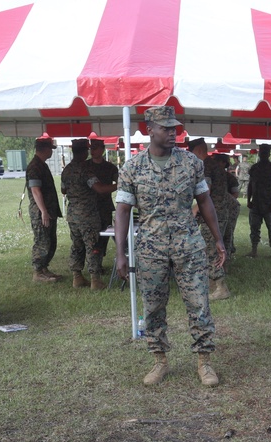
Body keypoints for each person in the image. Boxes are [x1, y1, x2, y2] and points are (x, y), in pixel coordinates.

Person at [114, 106, 226, 387]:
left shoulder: (191, 163)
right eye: (166, 128)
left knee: (199, 303)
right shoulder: (133, 167)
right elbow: (123, 210)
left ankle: (204, 362)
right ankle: (159, 360)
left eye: (175, 127)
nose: (173, 132)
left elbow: (205, 201)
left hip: (188, 245)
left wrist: (218, 238)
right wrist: (120, 253)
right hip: (151, 248)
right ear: (149, 129)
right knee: (153, 307)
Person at [62, 138, 112, 290]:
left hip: (73, 214)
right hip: (87, 215)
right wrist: (118, 185)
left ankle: (77, 277)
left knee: (77, 245)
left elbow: (63, 190)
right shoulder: (86, 170)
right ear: (84, 151)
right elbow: (100, 189)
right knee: (93, 245)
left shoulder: (67, 170)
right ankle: (95, 280)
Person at [188, 138, 232, 300]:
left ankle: (221, 287)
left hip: (212, 215)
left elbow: (205, 191)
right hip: (220, 212)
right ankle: (212, 285)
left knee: (211, 250)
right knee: (212, 247)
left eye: (191, 153)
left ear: (198, 150)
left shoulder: (205, 165)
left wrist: (195, 209)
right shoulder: (215, 165)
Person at [26, 134, 63, 283]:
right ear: (45, 149)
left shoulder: (41, 164)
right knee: (42, 241)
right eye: (51, 148)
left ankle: (44, 269)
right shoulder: (34, 167)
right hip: (41, 212)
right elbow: (35, 190)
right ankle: (37, 272)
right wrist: (44, 211)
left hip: (47, 210)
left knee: (50, 240)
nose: (52, 151)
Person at [86, 138, 119, 271]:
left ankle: (99, 262)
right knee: (92, 237)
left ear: (102, 150)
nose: (92, 151)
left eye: (95, 148)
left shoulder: (110, 167)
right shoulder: (86, 166)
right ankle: (94, 264)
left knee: (104, 236)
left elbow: (120, 182)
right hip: (89, 208)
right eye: (91, 148)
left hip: (105, 206)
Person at [246, 143, 271, 259]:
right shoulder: (254, 168)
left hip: (268, 203)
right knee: (254, 227)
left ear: (269, 154)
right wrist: (248, 199)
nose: (263, 155)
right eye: (262, 152)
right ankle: (254, 250)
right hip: (256, 203)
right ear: (259, 153)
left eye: (265, 153)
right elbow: (250, 185)